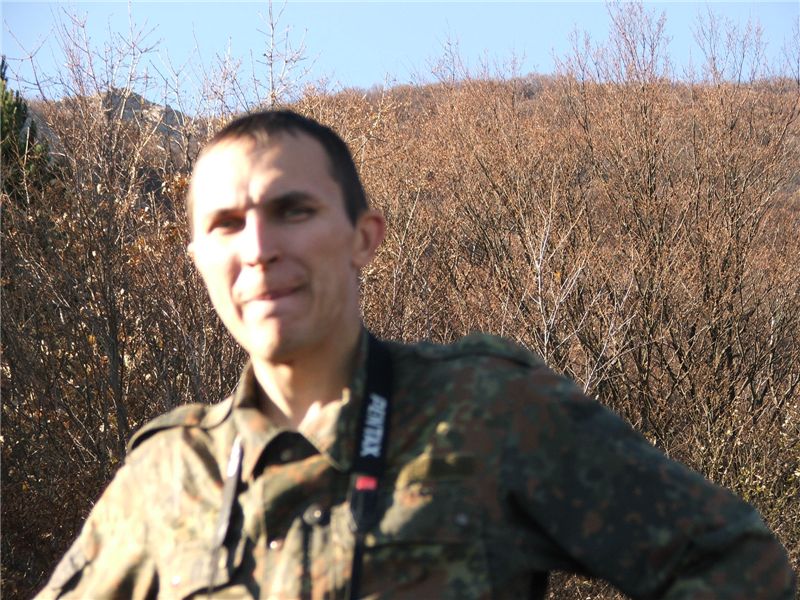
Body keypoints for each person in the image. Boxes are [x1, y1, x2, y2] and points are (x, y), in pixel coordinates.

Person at [37, 110, 795, 600]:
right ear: (198, 259)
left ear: (365, 238)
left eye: (292, 210)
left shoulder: (489, 412)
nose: (259, 248)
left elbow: (736, 562)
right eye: (226, 224)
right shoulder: (169, 474)